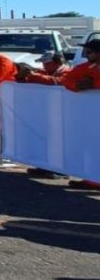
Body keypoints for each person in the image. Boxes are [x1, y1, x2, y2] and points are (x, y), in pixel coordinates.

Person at [60, 39, 100, 189]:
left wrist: (93, 84)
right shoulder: (87, 67)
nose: (86, 55)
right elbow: (66, 79)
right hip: (91, 116)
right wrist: (77, 85)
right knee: (92, 146)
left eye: (89, 52)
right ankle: (93, 179)